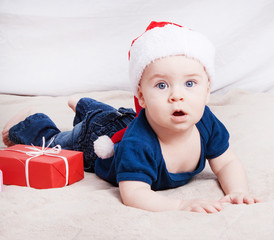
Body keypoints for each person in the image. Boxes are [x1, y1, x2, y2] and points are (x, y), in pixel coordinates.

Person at [2, 21, 259, 213]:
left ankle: (86, 107)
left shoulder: (205, 122)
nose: (177, 96)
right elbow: (134, 193)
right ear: (142, 97)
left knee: (113, 118)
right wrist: (181, 205)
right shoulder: (139, 144)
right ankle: (32, 124)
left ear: (207, 92)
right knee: (65, 140)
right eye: (161, 85)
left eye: (190, 84)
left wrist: (238, 190)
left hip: (124, 121)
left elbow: (226, 163)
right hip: (99, 144)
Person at [1, 98, 136, 172]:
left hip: (124, 118)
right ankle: (33, 120)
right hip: (97, 137)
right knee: (51, 145)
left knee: (112, 116)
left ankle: (82, 104)